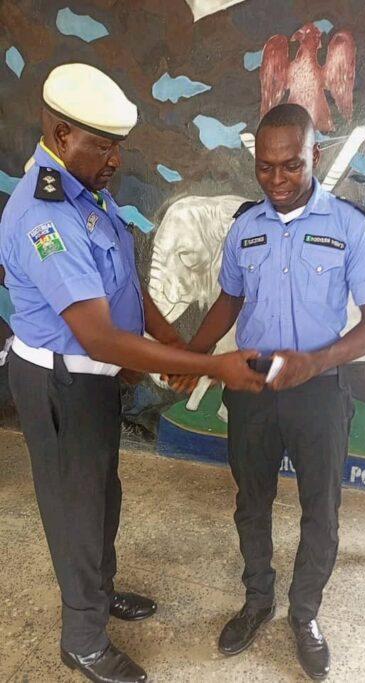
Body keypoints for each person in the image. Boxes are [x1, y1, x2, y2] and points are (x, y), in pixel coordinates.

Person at [0, 64, 265, 683]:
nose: (116, 159)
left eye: (119, 145)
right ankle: (83, 637)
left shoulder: (84, 189)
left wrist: (169, 335)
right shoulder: (46, 217)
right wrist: (205, 362)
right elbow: (98, 333)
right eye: (104, 144)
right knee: (74, 508)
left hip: (93, 380)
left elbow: (118, 276)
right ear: (63, 136)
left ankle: (100, 589)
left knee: (102, 496)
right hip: (61, 383)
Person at [171, 103, 365, 680]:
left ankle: (304, 612)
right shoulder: (246, 228)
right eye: (265, 169)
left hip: (321, 388)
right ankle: (257, 600)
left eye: (290, 166)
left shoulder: (349, 226)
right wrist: (191, 356)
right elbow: (230, 301)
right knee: (251, 502)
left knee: (323, 508)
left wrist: (316, 362)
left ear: (315, 154)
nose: (277, 181)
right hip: (251, 387)